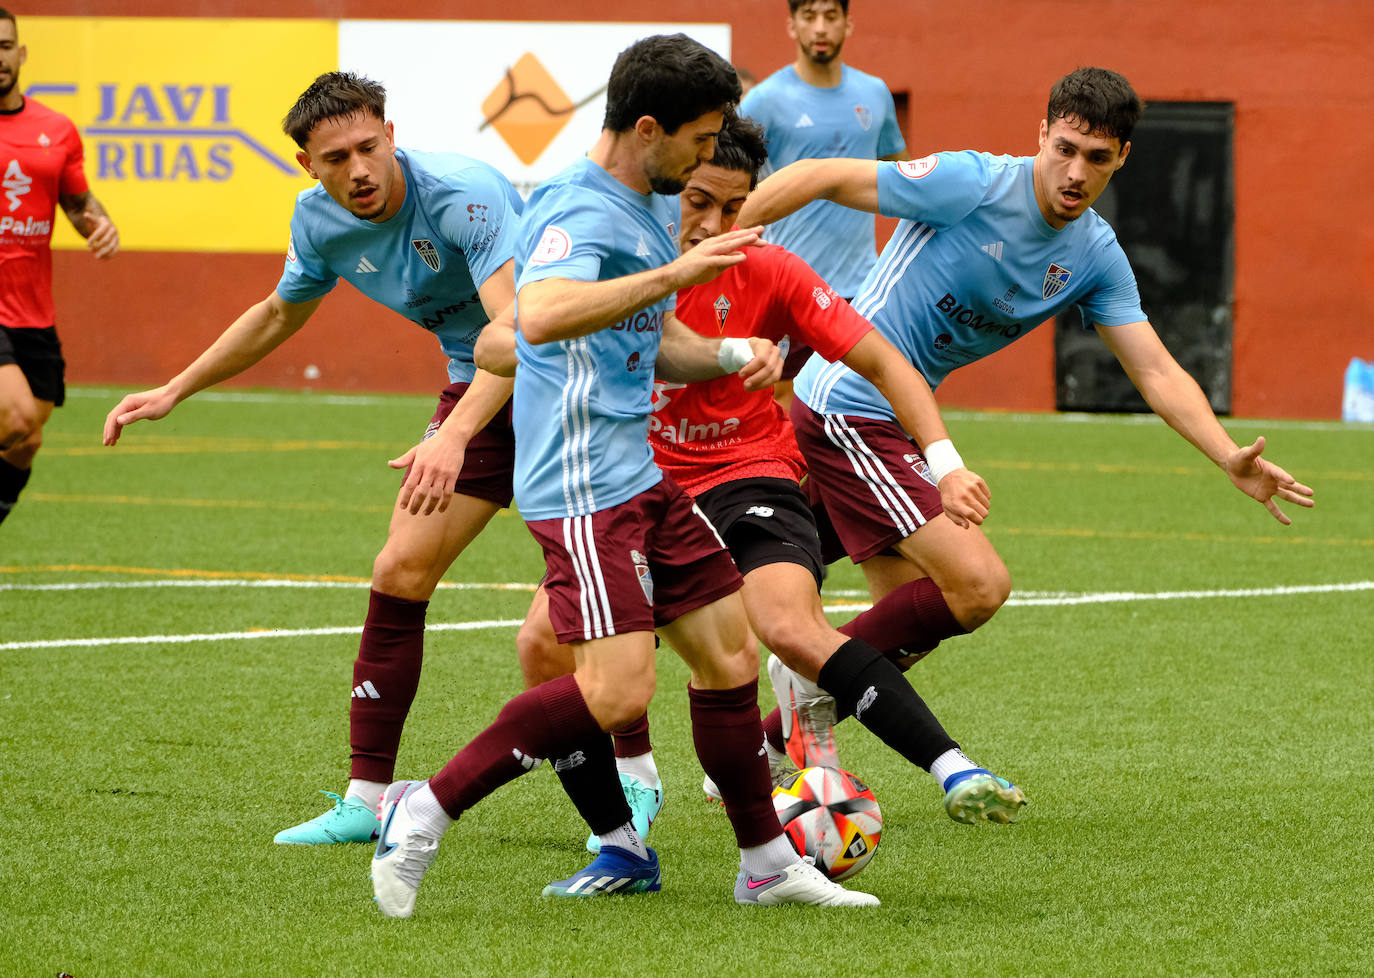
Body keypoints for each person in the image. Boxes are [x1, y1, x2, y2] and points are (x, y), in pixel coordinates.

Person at [369, 34, 878, 918]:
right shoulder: (579, 206)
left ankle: (764, 863)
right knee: (614, 691)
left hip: (638, 475)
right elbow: (542, 312)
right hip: (582, 490)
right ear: (649, 128)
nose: (706, 154)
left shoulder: (647, 201)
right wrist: (677, 274)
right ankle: (425, 808)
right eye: (699, 136)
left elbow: (653, 340)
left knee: (727, 656)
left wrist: (725, 350)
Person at [734, 67, 1315, 749]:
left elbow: (1154, 366)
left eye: (1097, 159)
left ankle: (767, 735)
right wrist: (722, 248)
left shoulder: (1095, 255)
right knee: (978, 587)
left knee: (908, 621)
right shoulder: (973, 182)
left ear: (1122, 158)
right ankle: (794, 684)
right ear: (1040, 134)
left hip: (897, 423)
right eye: (1063, 148)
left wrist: (1227, 457)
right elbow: (826, 176)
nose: (1075, 172)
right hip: (849, 402)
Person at [506, 112, 1025, 836]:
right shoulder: (613, 261)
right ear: (666, 186)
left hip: (751, 477)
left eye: (735, 207)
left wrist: (945, 463)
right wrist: (459, 432)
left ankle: (953, 768)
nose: (716, 223)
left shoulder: (772, 270)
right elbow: (513, 342)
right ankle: (630, 790)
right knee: (540, 647)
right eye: (698, 202)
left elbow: (883, 361)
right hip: (634, 485)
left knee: (788, 623)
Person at [101, 72, 524, 845]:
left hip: (570, 382)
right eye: (336, 158)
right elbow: (277, 314)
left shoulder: (465, 194)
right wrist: (176, 388)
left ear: (392, 137)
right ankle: (368, 798)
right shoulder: (319, 220)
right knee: (399, 569)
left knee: (575, 619)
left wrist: (454, 437)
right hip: (473, 385)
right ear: (308, 165)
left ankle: (635, 788)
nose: (357, 169)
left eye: (369, 147)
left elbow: (523, 338)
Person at [741, 0, 907, 406]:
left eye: (830, 16)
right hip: (788, 285)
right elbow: (733, 188)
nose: (820, 28)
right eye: (809, 17)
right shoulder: (764, 101)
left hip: (861, 289)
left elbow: (900, 180)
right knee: (780, 403)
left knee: (859, 404)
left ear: (847, 24)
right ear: (791, 25)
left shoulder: (875, 94)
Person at [0, 8, 118, 526]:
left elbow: (77, 203)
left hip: (31, 308)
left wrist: (100, 224)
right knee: (15, 415)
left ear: (21, 53)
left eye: (4, 46)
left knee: (26, 438)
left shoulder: (57, 129)